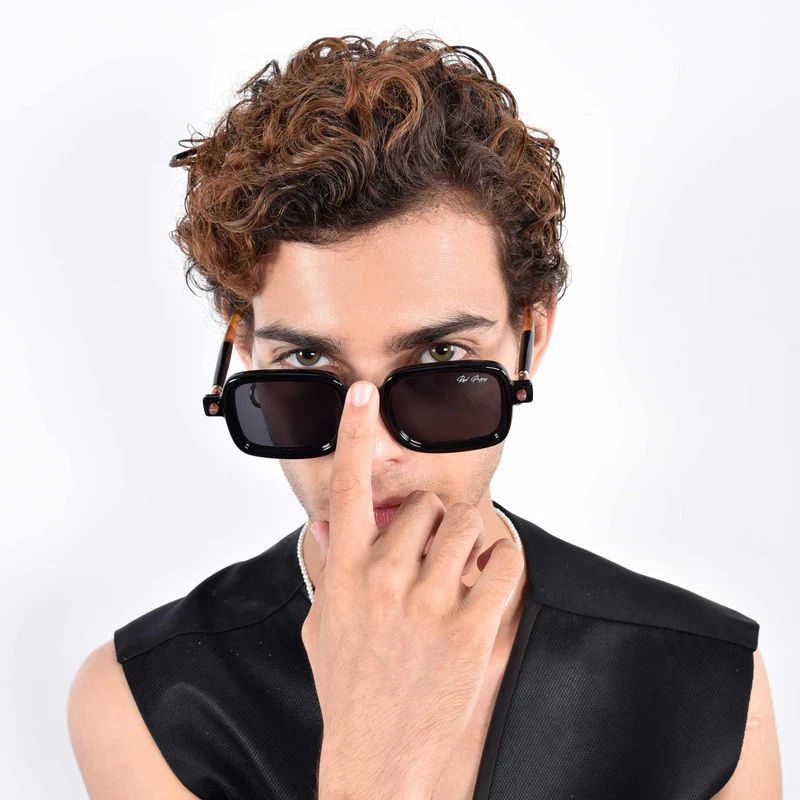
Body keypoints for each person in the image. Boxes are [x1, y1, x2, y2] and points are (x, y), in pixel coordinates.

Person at [67, 32, 781, 799]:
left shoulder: (710, 683)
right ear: (244, 350)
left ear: (530, 340)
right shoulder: (148, 701)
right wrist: (378, 757)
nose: (370, 453)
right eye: (306, 364)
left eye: (441, 359)